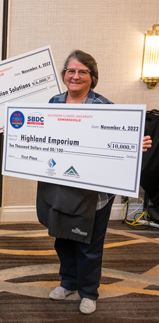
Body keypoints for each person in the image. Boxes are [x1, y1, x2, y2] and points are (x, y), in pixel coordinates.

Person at [37, 50, 153, 315]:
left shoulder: (104, 106)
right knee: (63, 239)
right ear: (64, 74)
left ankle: (89, 291)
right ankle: (68, 282)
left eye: (82, 72)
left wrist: (136, 144)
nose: (75, 76)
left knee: (88, 245)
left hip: (93, 194)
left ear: (92, 77)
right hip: (60, 189)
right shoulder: (53, 103)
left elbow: (118, 141)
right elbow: (41, 138)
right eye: (70, 71)